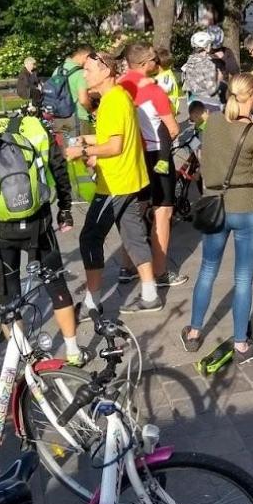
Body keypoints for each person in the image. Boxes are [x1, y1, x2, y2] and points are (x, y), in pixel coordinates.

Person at [0, 93, 82, 363]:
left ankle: (25, 362)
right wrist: (65, 209)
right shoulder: (32, 125)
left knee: (8, 296)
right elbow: (58, 167)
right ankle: (73, 351)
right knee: (56, 283)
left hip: (1, 231)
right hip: (40, 222)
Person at [181, 73, 253, 364]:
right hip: (247, 207)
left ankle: (194, 332)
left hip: (215, 205)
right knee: (243, 277)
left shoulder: (213, 123)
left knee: (208, 268)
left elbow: (205, 161)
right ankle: (241, 344)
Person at [64, 52, 163, 315]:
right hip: (131, 179)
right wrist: (89, 140)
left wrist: (83, 151)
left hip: (115, 183)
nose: (84, 76)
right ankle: (150, 294)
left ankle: (92, 302)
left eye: (88, 70)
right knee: (133, 235)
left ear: (106, 71)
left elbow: (115, 146)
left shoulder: (113, 102)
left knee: (89, 238)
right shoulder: (118, 97)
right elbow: (115, 137)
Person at [115, 43, 187, 290]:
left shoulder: (119, 87)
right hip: (156, 154)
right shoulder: (154, 90)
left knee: (134, 210)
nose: (157, 63)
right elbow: (173, 128)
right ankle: (160, 271)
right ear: (145, 63)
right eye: (154, 59)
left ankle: (127, 267)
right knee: (162, 212)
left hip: (131, 154)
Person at [52, 45, 92, 135]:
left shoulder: (57, 70)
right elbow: (83, 100)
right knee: (81, 143)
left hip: (59, 118)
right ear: (85, 56)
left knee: (65, 143)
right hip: (78, 119)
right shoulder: (80, 73)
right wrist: (91, 110)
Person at [182, 31, 222, 108]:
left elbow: (185, 88)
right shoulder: (208, 65)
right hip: (208, 104)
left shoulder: (188, 63)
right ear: (206, 46)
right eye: (210, 44)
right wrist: (219, 78)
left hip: (192, 104)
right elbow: (212, 90)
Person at [153, 48, 182, 114]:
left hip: (167, 110)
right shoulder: (165, 74)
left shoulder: (166, 77)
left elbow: (163, 91)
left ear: (157, 65)